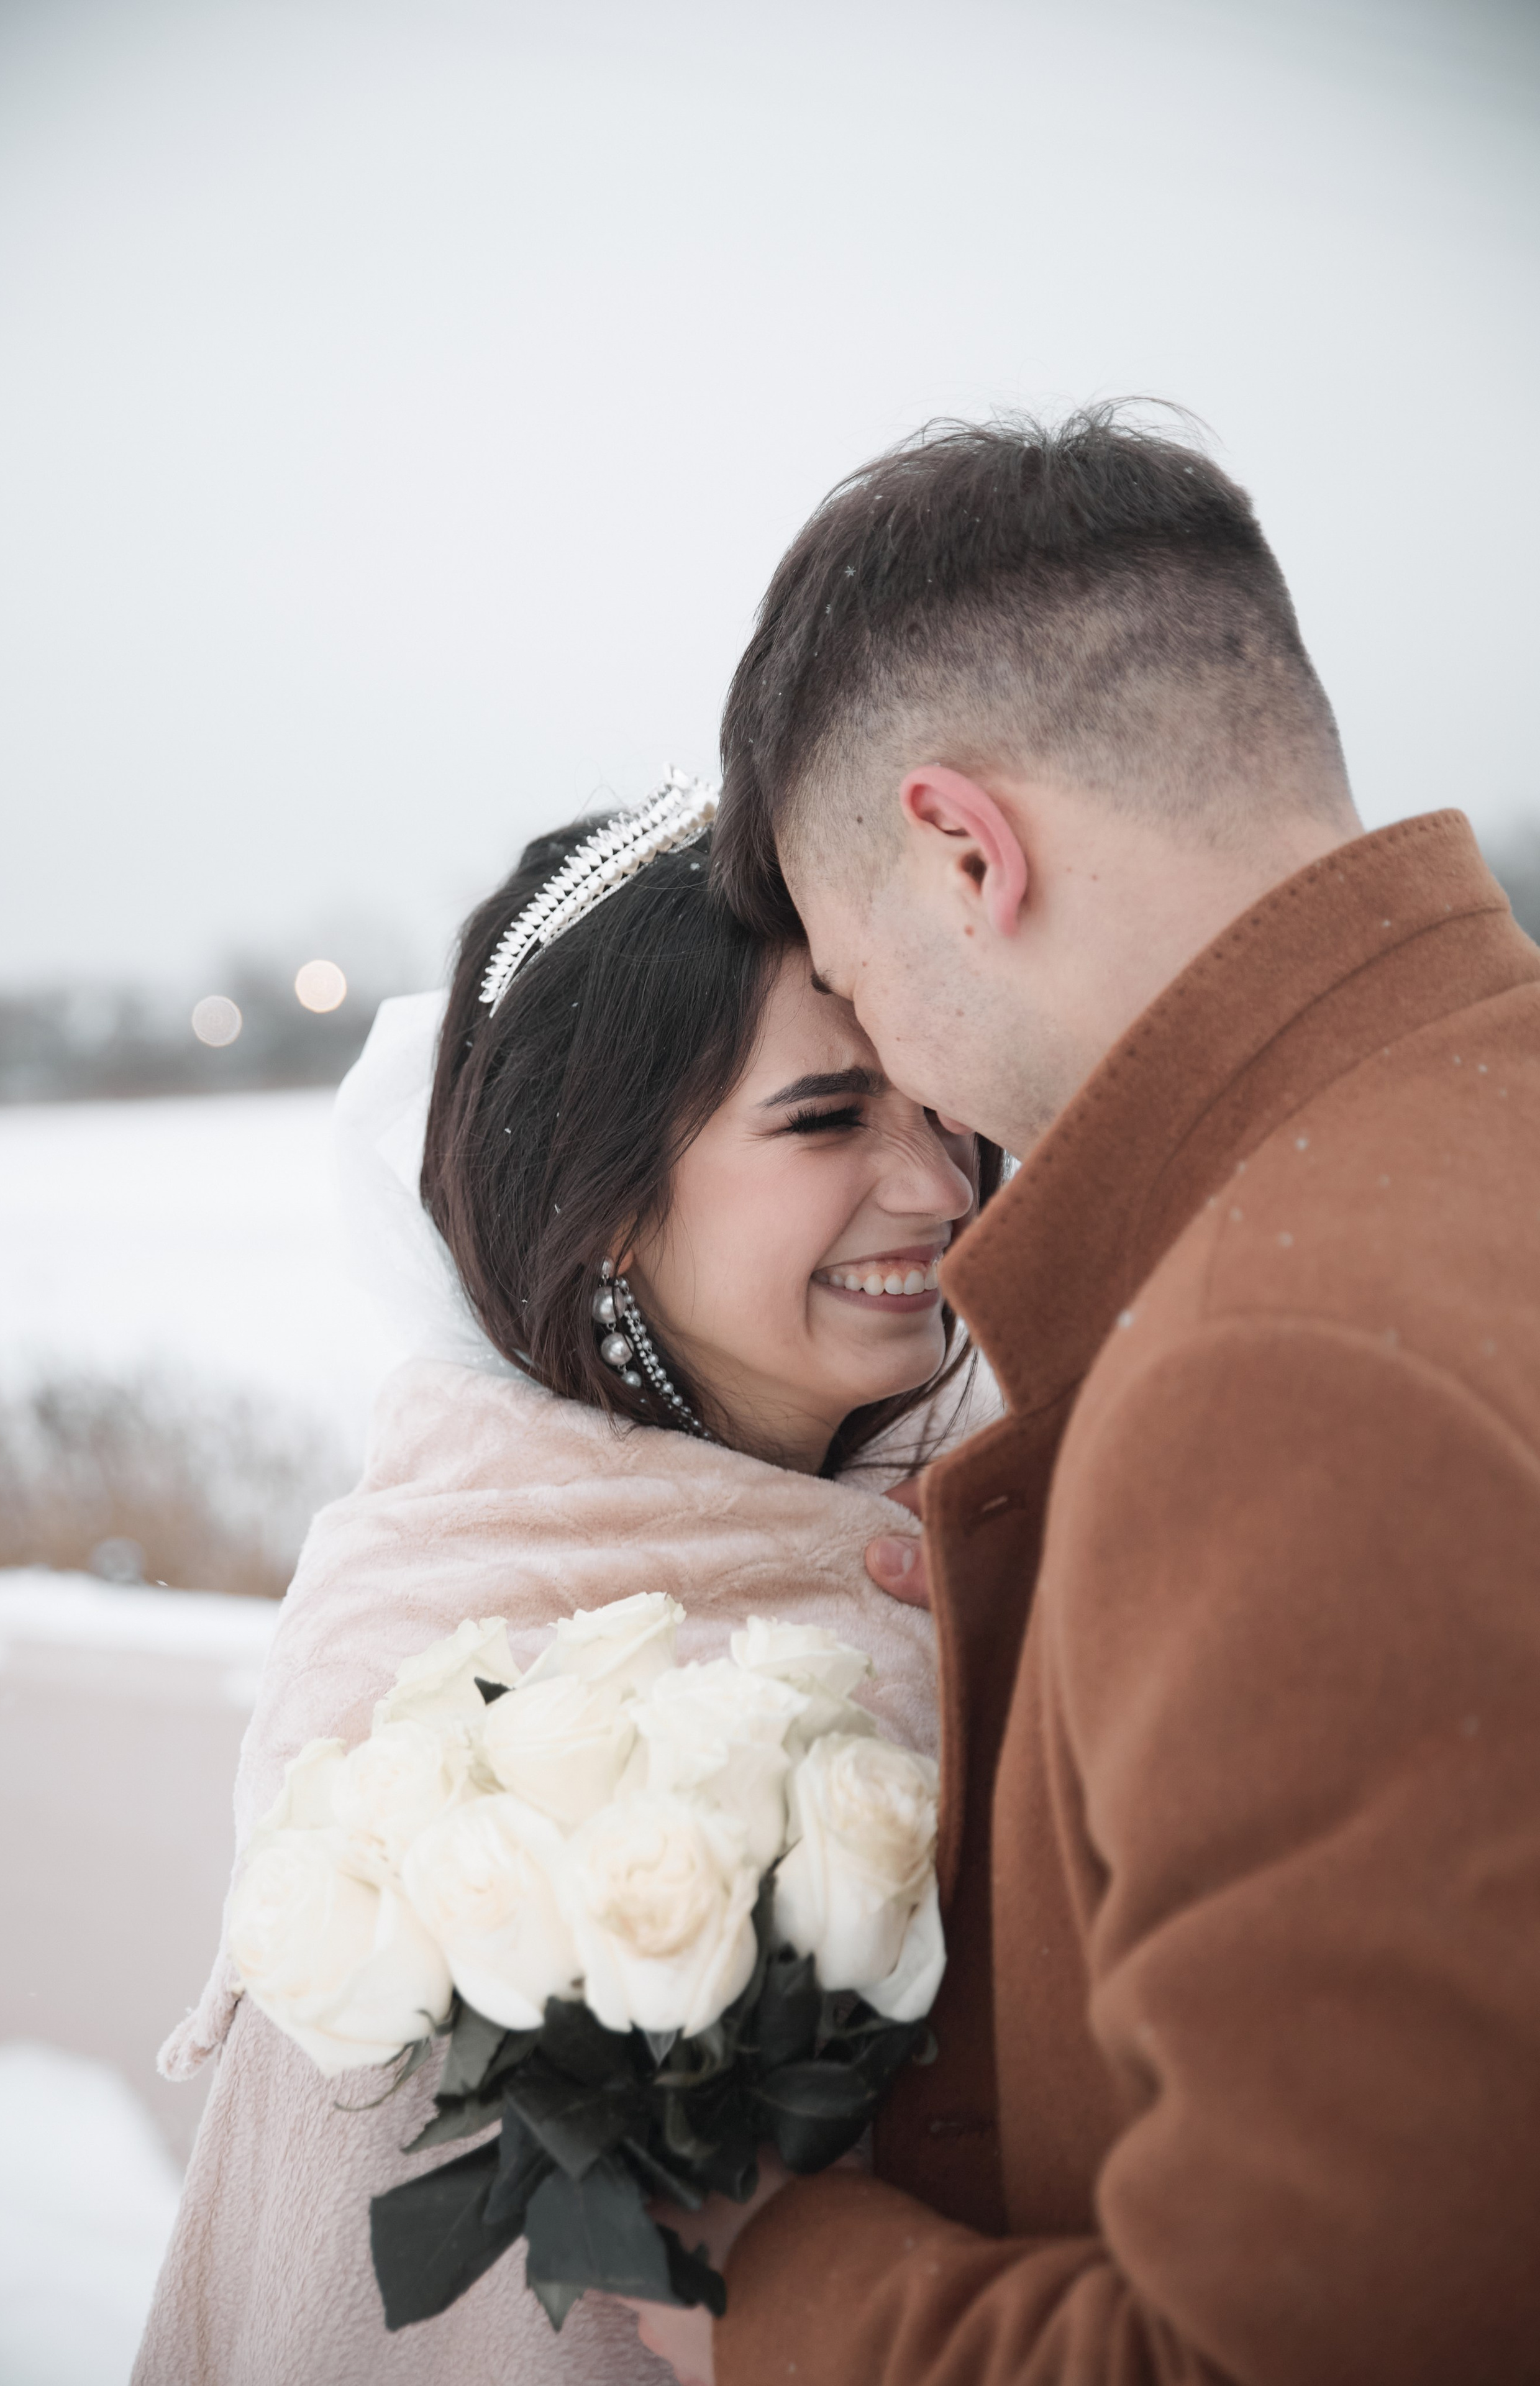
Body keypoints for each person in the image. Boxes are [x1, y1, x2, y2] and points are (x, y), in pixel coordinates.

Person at [629, 413, 1540, 2386]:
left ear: (968, 849)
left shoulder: (1277, 1380)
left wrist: (772, 2285)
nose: (911, 1084)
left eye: (858, 974)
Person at [132, 774, 1000, 2386]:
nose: (940, 1182)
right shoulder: (455, 1697)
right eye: (827, 1117)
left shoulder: (1013, 1508)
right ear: (602, 1199)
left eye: (936, 1093)